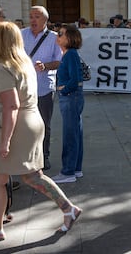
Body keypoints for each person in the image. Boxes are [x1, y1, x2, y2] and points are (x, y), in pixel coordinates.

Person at [0, 22, 81, 242]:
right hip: (31, 122)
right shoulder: (24, 63)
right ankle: (69, 209)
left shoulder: (5, 67)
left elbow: (11, 106)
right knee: (30, 176)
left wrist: (5, 142)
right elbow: (14, 97)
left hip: (15, 126)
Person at [22, 6, 62, 171]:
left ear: (45, 20)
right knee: (24, 126)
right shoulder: (21, 34)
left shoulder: (54, 38)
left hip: (44, 88)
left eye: (36, 16)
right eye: (30, 16)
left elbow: (60, 61)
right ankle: (26, 157)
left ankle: (43, 156)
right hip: (23, 90)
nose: (32, 20)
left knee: (44, 124)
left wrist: (45, 66)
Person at [51, 25, 84, 183]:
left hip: (70, 97)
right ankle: (75, 169)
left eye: (61, 34)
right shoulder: (69, 54)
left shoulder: (70, 54)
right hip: (73, 97)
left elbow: (76, 79)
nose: (58, 36)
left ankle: (68, 172)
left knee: (70, 135)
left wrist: (63, 90)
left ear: (69, 38)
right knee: (75, 133)